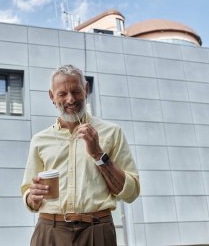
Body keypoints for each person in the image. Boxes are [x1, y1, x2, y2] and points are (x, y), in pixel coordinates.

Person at [21, 64, 140, 246]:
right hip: (49, 231)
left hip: (97, 230)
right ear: (52, 97)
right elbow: (29, 191)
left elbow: (131, 193)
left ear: (85, 90)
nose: (70, 99)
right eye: (62, 94)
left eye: (76, 91)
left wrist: (99, 154)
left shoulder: (112, 132)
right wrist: (32, 197)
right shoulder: (39, 140)